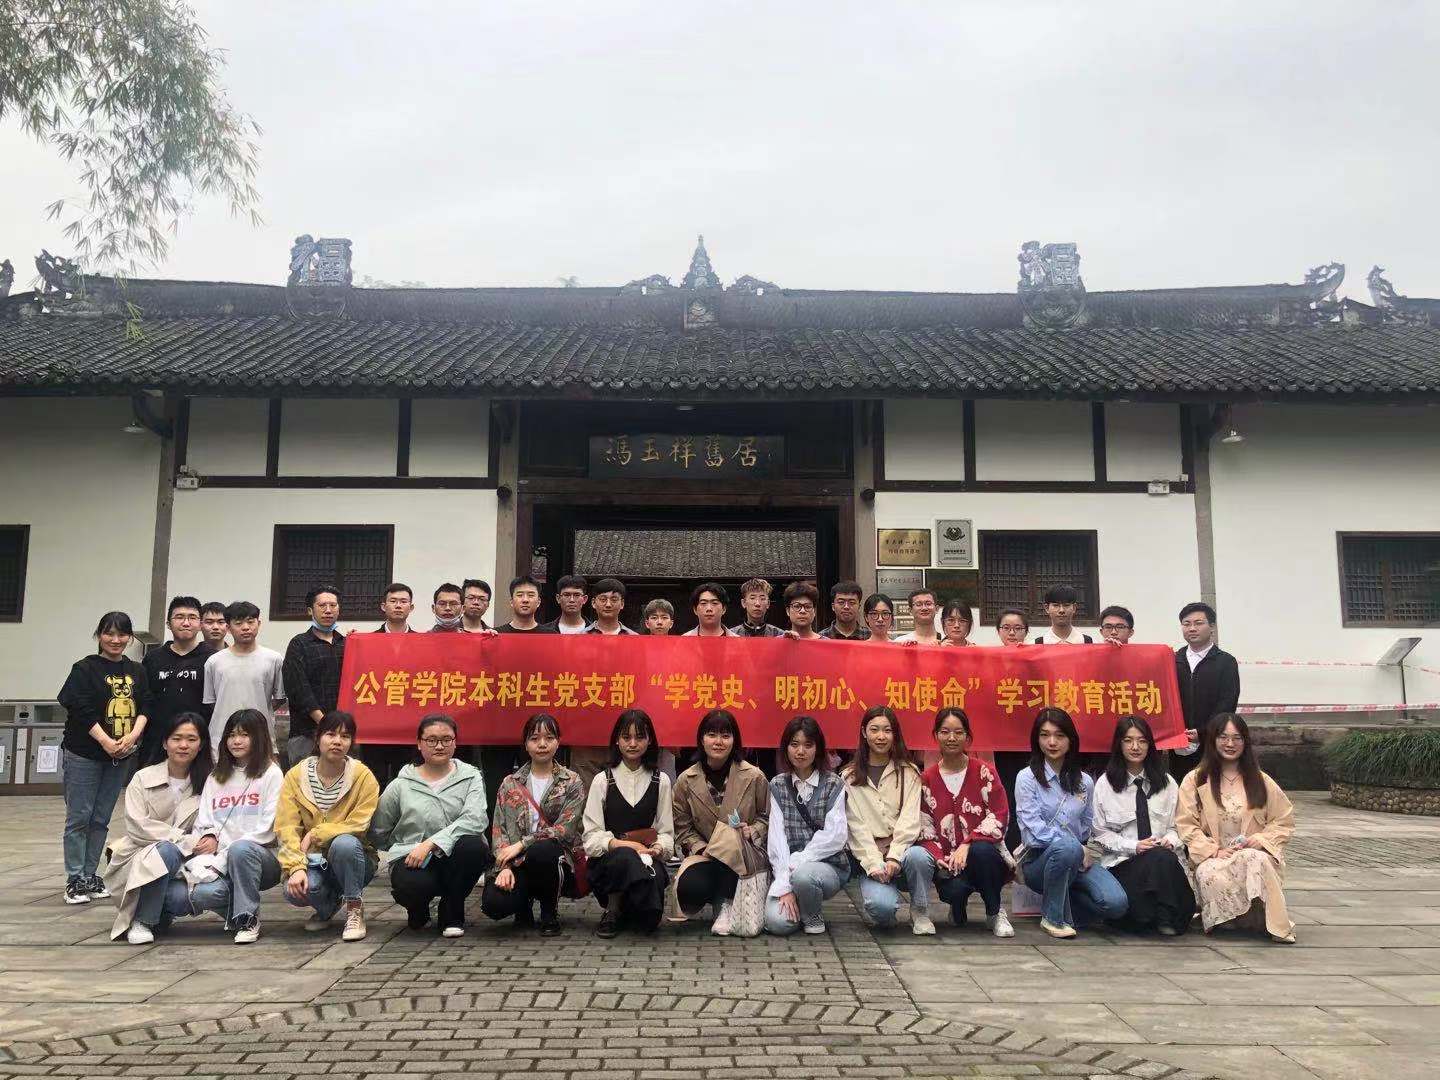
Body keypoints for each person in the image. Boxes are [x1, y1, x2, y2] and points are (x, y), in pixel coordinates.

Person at [57, 611, 152, 904]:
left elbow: (146, 705)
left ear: (130, 638)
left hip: (120, 755)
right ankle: (75, 878)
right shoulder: (84, 668)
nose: (115, 639)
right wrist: (105, 741)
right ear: (99, 635)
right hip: (84, 753)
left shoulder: (137, 670)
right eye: (109, 633)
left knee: (100, 818)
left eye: (122, 634)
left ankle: (90, 874)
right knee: (79, 817)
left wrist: (132, 736)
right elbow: (79, 707)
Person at [1176, 713, 1295, 943]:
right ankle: (1232, 918)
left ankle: (1274, 925)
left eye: (1237, 738)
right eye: (1223, 737)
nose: (1230, 743)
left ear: (1245, 741)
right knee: (1209, 873)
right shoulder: (1196, 779)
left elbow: (1283, 820)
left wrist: (1262, 839)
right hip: (1216, 858)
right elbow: (1186, 824)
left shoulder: (1261, 780)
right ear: (1213, 740)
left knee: (1254, 858)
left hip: (1253, 855)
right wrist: (1213, 851)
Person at [372, 714, 492, 938]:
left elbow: (475, 819)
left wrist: (431, 843)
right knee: (413, 884)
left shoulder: (471, 777)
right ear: (419, 743)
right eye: (431, 740)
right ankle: (417, 908)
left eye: (446, 739)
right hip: (413, 858)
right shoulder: (401, 784)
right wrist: (400, 848)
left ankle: (452, 913)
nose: (439, 746)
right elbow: (379, 829)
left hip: (455, 856)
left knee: (474, 847)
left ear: (455, 742)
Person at [1014, 707, 1129, 938]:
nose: (1052, 742)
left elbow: (1087, 826)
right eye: (1045, 735)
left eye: (1059, 735)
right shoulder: (1026, 778)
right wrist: (1074, 846)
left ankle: (1063, 903)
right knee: (1068, 847)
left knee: (1116, 904)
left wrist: (1081, 849)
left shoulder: (1085, 782)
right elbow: (1033, 833)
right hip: (1038, 862)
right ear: (1037, 740)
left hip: (1077, 860)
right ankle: (1053, 918)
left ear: (1071, 740)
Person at [175, 708, 285, 943]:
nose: (236, 741)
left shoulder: (271, 774)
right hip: (218, 860)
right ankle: (232, 910)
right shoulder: (216, 776)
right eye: (232, 735)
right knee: (204, 894)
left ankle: (248, 917)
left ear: (259, 737)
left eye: (244, 735)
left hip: (262, 858)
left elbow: (268, 828)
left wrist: (227, 851)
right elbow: (204, 820)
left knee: (241, 849)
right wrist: (210, 836)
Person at [275, 710, 380, 942]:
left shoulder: (363, 776)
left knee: (344, 843)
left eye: (345, 736)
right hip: (311, 859)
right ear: (318, 737)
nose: (337, 741)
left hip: (354, 858)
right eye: (331, 734)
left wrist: (316, 833)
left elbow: (359, 823)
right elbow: (286, 827)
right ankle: (328, 906)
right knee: (297, 891)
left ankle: (354, 908)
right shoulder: (295, 776)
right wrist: (295, 867)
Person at [106, 712, 210, 943]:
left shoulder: (210, 781)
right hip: (139, 853)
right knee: (166, 851)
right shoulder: (142, 778)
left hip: (191, 858)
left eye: (191, 739)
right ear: (164, 743)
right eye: (176, 738)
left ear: (201, 744)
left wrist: (207, 838)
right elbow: (137, 826)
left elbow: (214, 822)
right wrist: (183, 839)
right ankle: (144, 921)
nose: (183, 745)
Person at [483, 713, 587, 935]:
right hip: (516, 861)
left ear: (558, 742)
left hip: (555, 861)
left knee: (543, 849)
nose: (542, 744)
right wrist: (504, 867)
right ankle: (523, 906)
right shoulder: (510, 783)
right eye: (534, 738)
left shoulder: (572, 781)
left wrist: (523, 843)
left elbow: (564, 830)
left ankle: (549, 911)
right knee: (494, 904)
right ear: (525, 744)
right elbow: (499, 830)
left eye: (549, 738)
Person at [1091, 716, 1195, 936]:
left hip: (1165, 864)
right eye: (1128, 740)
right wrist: (1134, 846)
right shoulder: (1105, 784)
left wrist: (1170, 841)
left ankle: (1159, 915)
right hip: (1123, 864)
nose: (1135, 747)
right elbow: (1100, 833)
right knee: (1158, 859)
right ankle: (1163, 917)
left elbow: (1177, 827)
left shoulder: (1167, 783)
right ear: (1119, 744)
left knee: (1162, 857)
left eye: (1142, 741)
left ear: (1150, 745)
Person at [915, 708, 1014, 936]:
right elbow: (924, 825)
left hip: (982, 854)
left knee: (982, 852)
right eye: (945, 732)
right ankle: (957, 904)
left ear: (968, 737)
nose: (951, 738)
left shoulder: (984, 772)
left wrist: (968, 843)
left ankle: (995, 912)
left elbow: (999, 814)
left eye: (958, 732)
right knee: (954, 890)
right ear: (936, 736)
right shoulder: (927, 779)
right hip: (949, 862)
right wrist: (939, 857)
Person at [672, 710, 770, 935]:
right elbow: (682, 828)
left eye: (725, 735)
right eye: (712, 735)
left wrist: (752, 831)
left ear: (735, 740)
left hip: (743, 857)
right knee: (690, 888)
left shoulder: (754, 776)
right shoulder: (686, 780)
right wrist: (702, 848)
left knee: (731, 842)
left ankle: (727, 905)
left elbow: (766, 817)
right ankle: (722, 900)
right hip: (706, 856)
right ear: (701, 739)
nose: (718, 742)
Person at [582, 710, 675, 938]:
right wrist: (622, 845)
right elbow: (591, 837)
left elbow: (666, 832)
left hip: (647, 860)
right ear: (617, 740)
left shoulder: (661, 781)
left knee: (648, 923)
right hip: (609, 864)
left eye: (639, 737)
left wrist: (658, 848)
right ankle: (613, 909)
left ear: (650, 740)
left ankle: (636, 905)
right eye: (626, 737)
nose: (633, 744)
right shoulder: (602, 780)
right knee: (624, 857)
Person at [842, 705, 929, 933]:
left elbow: (910, 820)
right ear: (864, 733)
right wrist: (874, 864)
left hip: (904, 852)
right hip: (871, 854)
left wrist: (894, 857)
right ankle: (886, 906)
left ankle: (920, 910)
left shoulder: (909, 772)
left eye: (887, 730)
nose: (881, 736)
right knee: (881, 909)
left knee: (920, 857)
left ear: (895, 734)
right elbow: (855, 827)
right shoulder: (849, 777)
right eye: (874, 730)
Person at [763, 716, 849, 936]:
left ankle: (812, 914)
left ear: (817, 748)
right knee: (777, 924)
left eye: (808, 745)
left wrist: (799, 862)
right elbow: (776, 840)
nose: (800, 751)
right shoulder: (777, 785)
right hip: (788, 869)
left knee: (804, 876)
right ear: (786, 748)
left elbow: (835, 836)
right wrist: (785, 886)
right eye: (794, 744)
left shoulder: (834, 784)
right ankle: (800, 902)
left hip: (826, 867)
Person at [202, 601, 285, 753]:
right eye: (238, 623)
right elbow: (211, 701)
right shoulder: (214, 662)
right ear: (228, 628)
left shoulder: (274, 659)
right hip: (221, 737)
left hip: (260, 735)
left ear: (259, 623)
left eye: (251, 622)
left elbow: (279, 699)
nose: (246, 627)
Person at [141, 596, 216, 766]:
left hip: (198, 743)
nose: (186, 623)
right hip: (156, 743)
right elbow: (145, 700)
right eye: (179, 617)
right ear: (168, 624)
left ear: (200, 624)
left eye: (192, 617)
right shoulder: (153, 658)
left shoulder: (213, 659)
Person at [282, 585, 346, 765]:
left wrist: (338, 728)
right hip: (306, 733)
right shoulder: (299, 644)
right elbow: (298, 689)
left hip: (342, 732)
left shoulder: (347, 644)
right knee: (304, 779)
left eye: (333, 605)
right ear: (310, 610)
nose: (328, 610)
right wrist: (324, 722)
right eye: (322, 605)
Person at [1174, 603, 1240, 767]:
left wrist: (1203, 732)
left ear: (1211, 627)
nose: (1192, 628)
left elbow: (1227, 702)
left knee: (1210, 781)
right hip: (1177, 742)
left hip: (1212, 742)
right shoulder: (1173, 660)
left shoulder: (1226, 662)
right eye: (1186, 624)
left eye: (1198, 623)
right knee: (1181, 782)